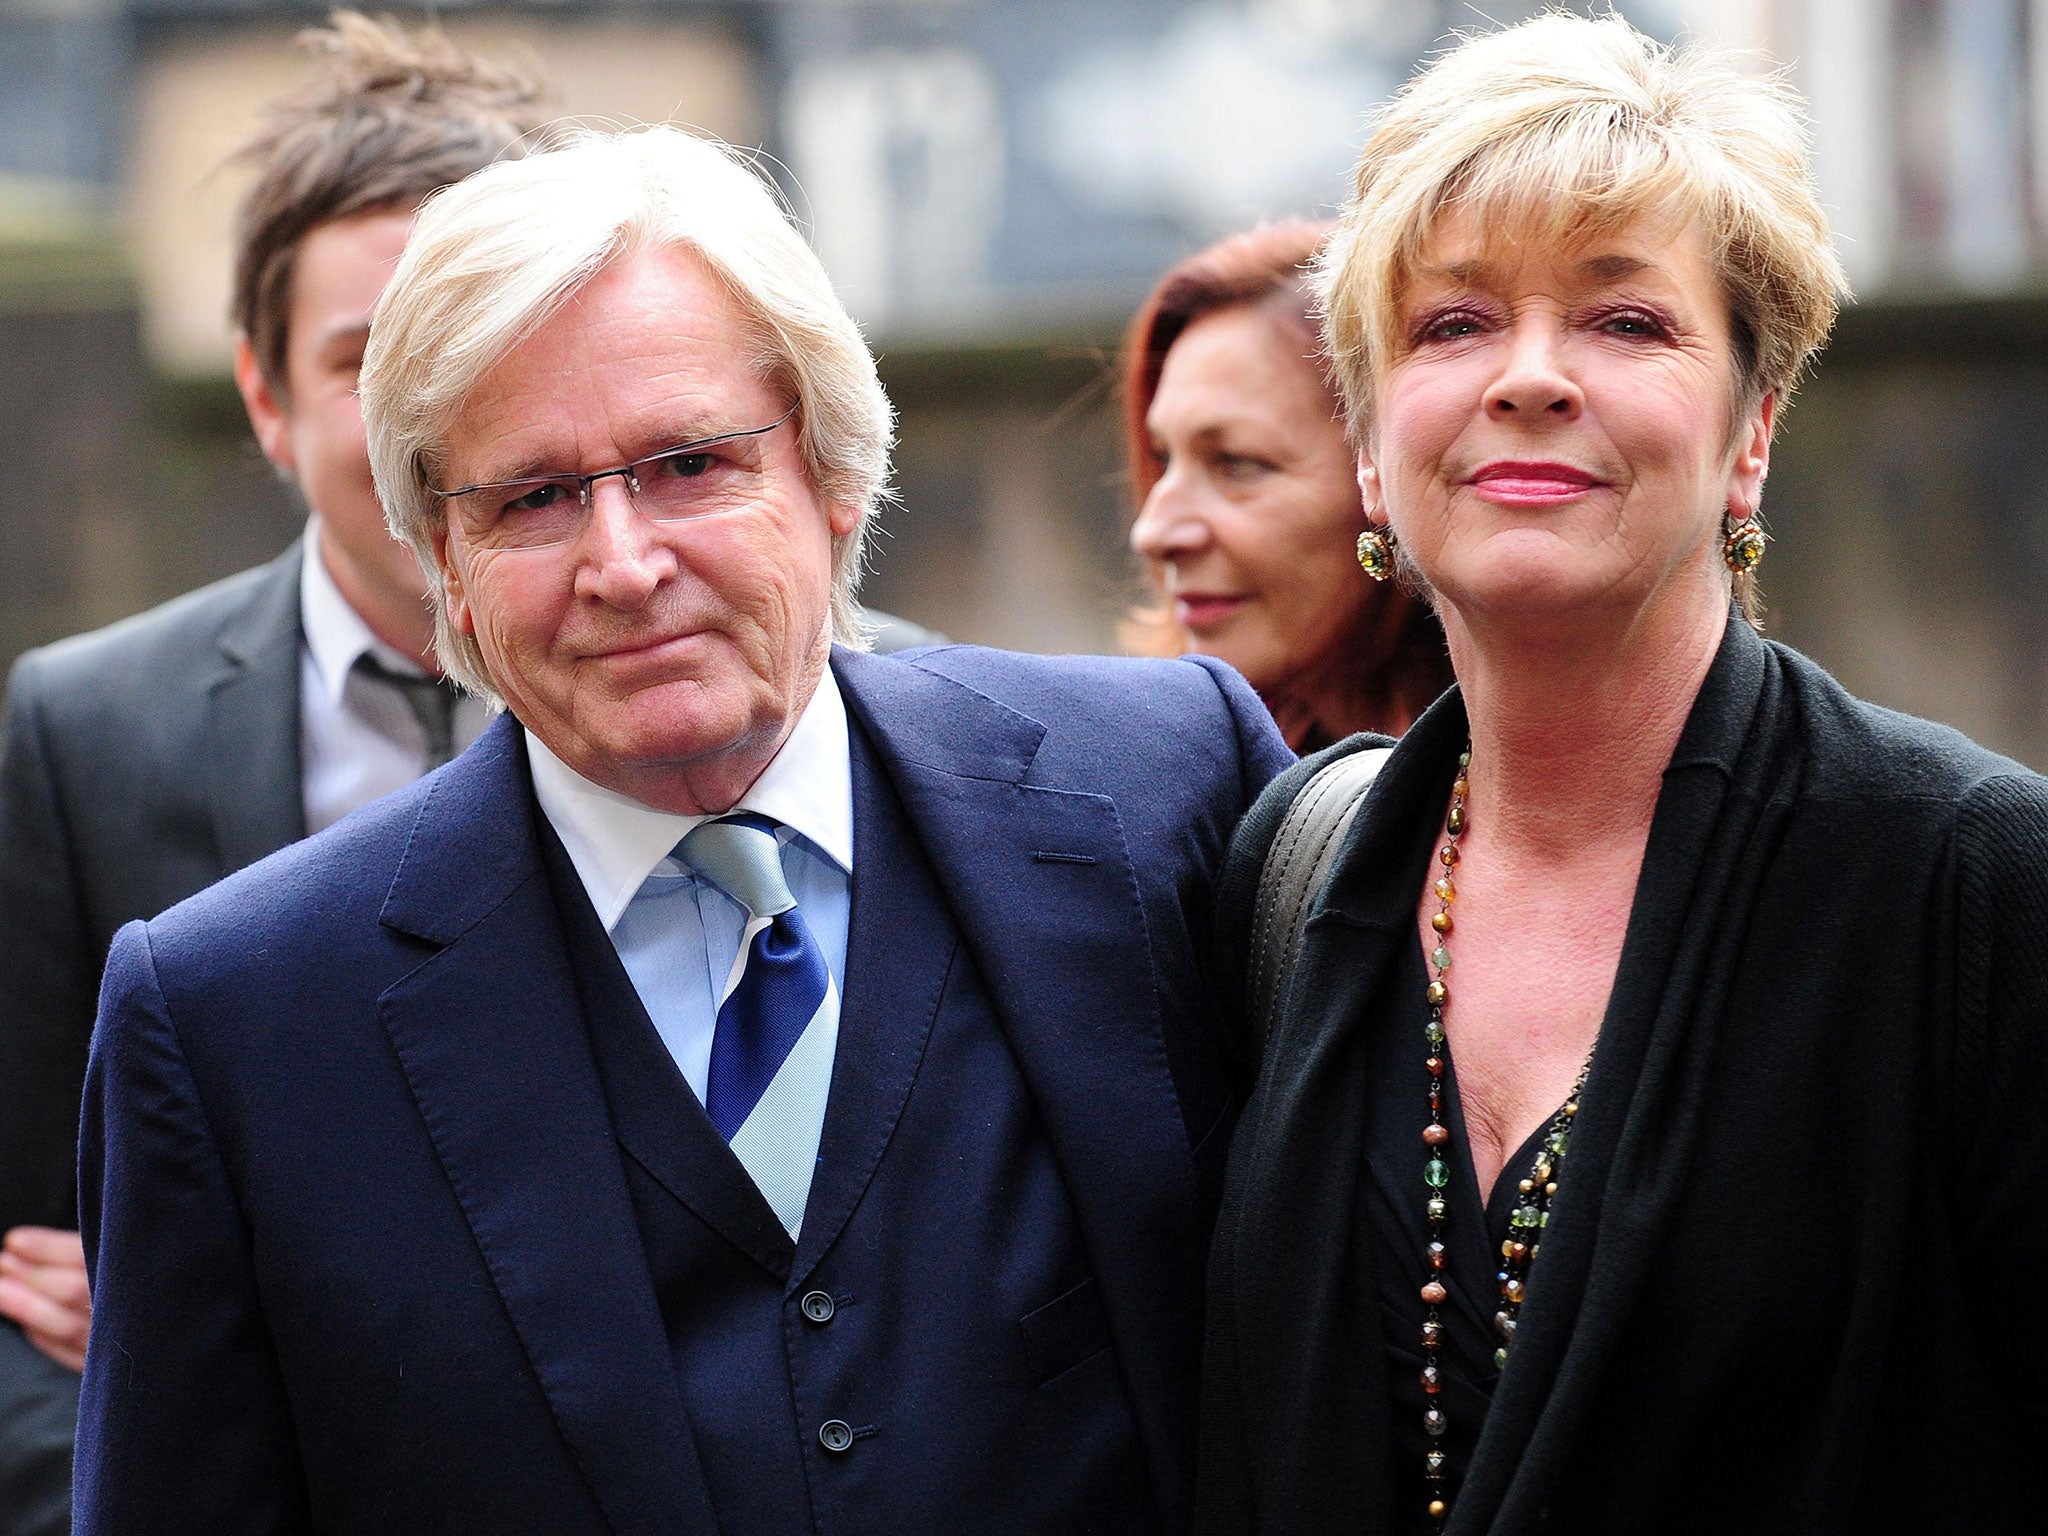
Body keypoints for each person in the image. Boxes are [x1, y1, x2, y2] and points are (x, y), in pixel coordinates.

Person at [74, 124, 1291, 1535]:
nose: (625, 565)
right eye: (531, 497)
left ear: (834, 478)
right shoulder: (236, 1026)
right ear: (446, 569)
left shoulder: (1162, 797)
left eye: (690, 465)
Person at [1197, 15, 2048, 1536]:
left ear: (1751, 435)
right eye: (1452, 325)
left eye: (1626, 324)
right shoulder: (1300, 866)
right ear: (1375, 455)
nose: (1530, 378)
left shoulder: (1977, 886)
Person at [0, 17, 539, 1534]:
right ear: (260, 395)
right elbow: (25, 1275)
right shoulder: (91, 728)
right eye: (367, 360)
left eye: (479, 346)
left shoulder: (831, 690)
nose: (420, 424)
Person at [1123, 221, 1450, 751]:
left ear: (1379, 473)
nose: (1154, 533)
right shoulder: (1159, 779)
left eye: (1236, 464)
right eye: (1163, 458)